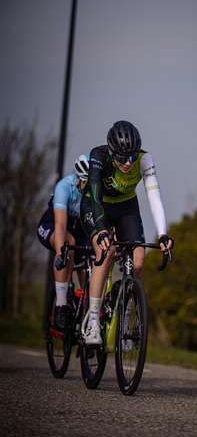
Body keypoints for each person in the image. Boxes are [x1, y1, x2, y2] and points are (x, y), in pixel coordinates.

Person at [80, 120, 173, 346]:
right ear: (111, 152)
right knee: (107, 251)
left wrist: (162, 234)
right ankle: (93, 322)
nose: (128, 163)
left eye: (132, 156)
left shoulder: (145, 160)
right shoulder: (98, 156)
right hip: (96, 204)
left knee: (139, 262)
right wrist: (102, 229)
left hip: (126, 207)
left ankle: (125, 323)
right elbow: (94, 191)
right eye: (122, 158)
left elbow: (154, 197)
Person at [37, 154, 90, 330]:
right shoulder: (64, 187)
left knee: (87, 265)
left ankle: (87, 315)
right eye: (86, 182)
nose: (90, 187)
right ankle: (60, 306)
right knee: (68, 244)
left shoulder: (96, 188)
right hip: (53, 226)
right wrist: (61, 253)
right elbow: (60, 224)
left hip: (80, 230)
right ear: (78, 178)